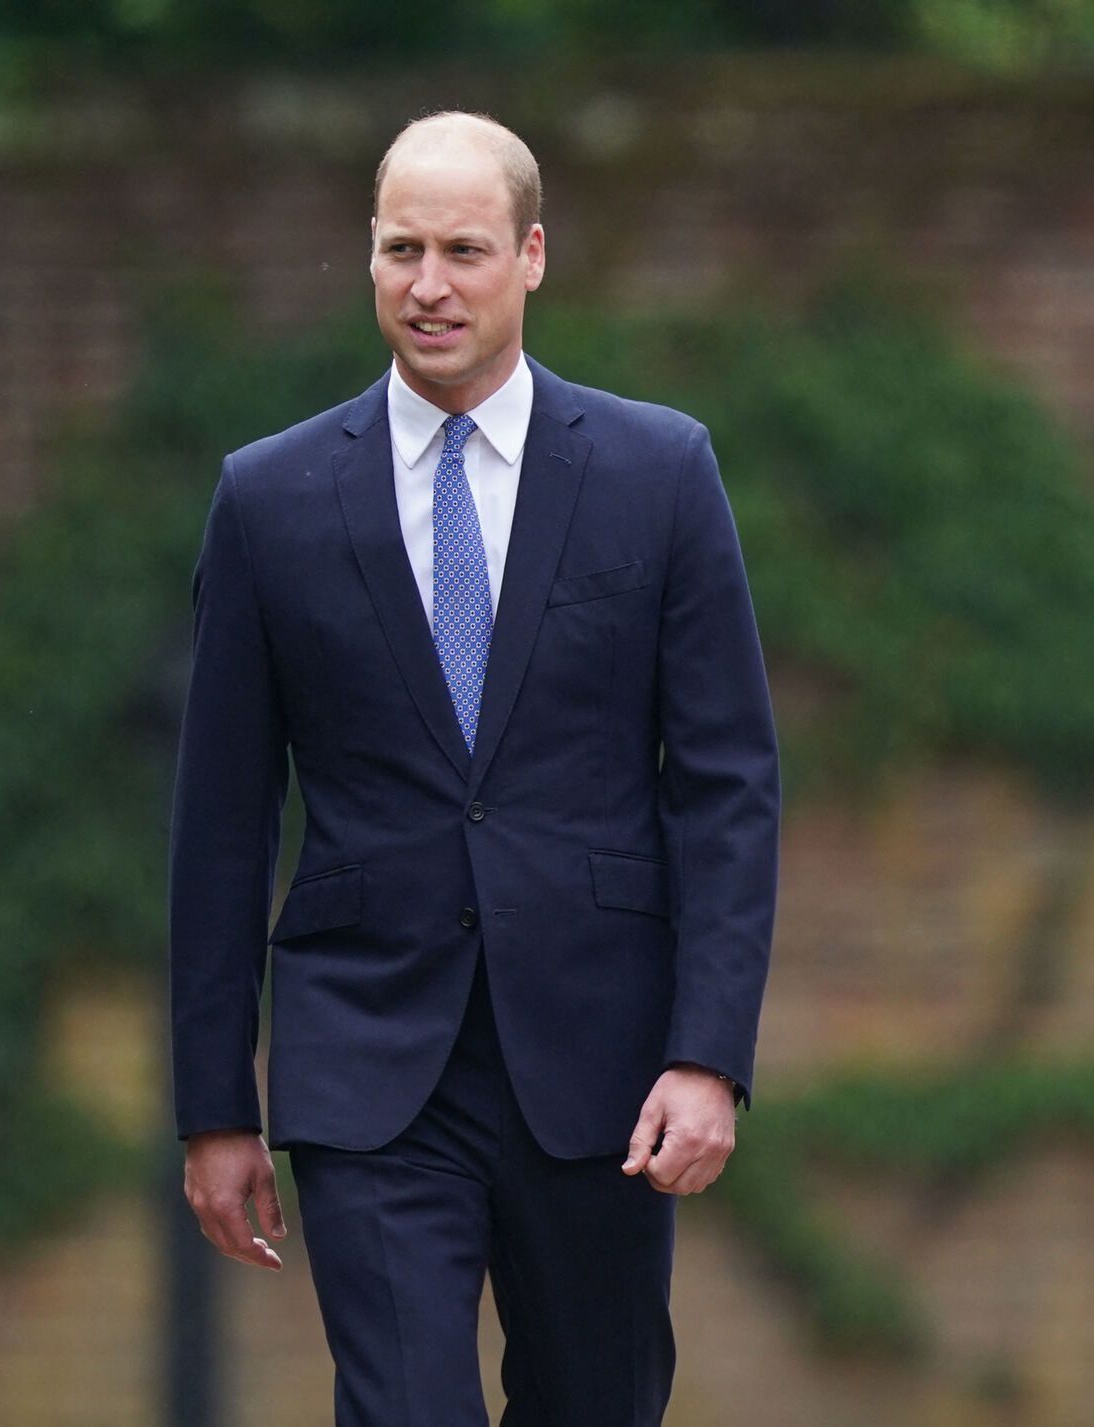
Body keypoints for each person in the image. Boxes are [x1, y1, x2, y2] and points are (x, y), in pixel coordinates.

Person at [169, 111, 780, 1425]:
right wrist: (215, 1105)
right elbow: (219, 821)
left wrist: (709, 1053)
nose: (429, 283)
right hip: (368, 1058)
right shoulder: (269, 499)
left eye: (462, 249)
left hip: (604, 1063)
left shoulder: (656, 472)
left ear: (533, 256)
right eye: (401, 250)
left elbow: (726, 781)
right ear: (369, 260)